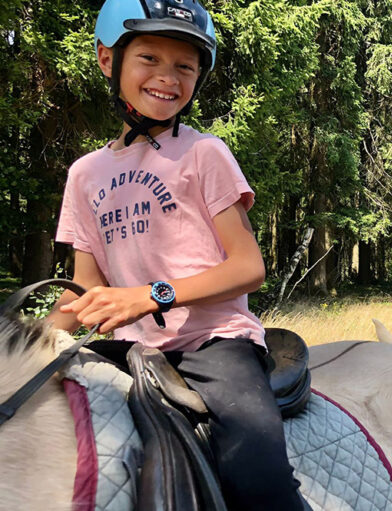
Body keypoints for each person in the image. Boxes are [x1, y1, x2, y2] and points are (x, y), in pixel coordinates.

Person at [47, 1, 307, 509]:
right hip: (130, 351)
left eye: (185, 66)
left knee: (258, 475)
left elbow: (248, 267)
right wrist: (35, 338)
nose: (168, 77)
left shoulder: (203, 153)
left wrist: (150, 296)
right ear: (108, 60)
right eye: (149, 58)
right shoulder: (84, 174)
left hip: (214, 345)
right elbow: (86, 288)